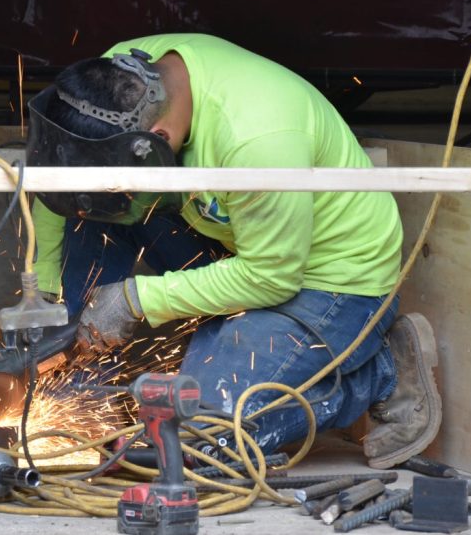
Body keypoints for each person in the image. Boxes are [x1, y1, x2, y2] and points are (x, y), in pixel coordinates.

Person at [25, 33, 441, 468]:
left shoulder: (256, 139)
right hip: (239, 238)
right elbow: (69, 181)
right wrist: (48, 300)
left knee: (200, 435)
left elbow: (272, 276)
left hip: (326, 284)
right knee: (99, 206)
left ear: (155, 140)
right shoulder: (114, 82)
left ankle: (380, 374)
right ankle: (77, 387)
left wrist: (137, 300)